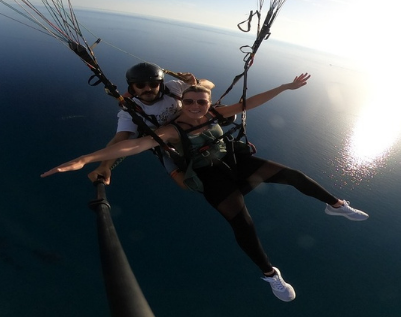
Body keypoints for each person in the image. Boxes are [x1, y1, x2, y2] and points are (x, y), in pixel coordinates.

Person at [41, 73, 368, 302]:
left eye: (201, 101)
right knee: (242, 223)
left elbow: (250, 102)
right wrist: (87, 159)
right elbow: (131, 146)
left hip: (233, 162)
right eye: (191, 101)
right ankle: (270, 274)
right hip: (209, 175)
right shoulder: (170, 130)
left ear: (207, 101)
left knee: (293, 175)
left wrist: (285, 86)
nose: (197, 106)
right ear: (182, 102)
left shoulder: (214, 113)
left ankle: (335, 205)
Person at [89, 62, 214, 185]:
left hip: (192, 127)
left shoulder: (174, 88)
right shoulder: (131, 111)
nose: (147, 89)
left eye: (153, 84)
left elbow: (210, 85)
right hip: (165, 142)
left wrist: (196, 83)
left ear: (160, 84)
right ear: (132, 87)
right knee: (185, 183)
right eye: (140, 85)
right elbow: (120, 139)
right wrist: (105, 166)